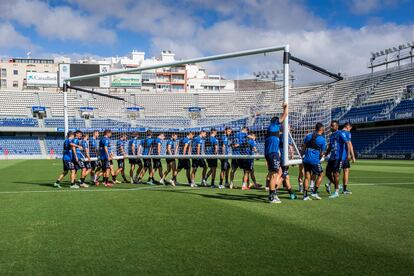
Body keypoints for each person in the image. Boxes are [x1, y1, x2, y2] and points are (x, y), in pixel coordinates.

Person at [264, 103, 288, 203]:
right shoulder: (274, 125)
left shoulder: (271, 130)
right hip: (273, 153)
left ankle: (273, 193)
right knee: (274, 174)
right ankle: (271, 196)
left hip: (270, 153)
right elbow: (285, 114)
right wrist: (285, 107)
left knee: (275, 173)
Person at [325, 120, 351, 199]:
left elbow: (347, 143)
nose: (331, 127)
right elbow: (330, 146)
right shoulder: (331, 135)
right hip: (332, 157)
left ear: (337, 126)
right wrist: (325, 154)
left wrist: (348, 154)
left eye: (332, 126)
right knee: (327, 173)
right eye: (331, 125)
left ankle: (336, 192)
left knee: (336, 174)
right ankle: (337, 185)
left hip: (339, 158)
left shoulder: (340, 133)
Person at [302, 123, 326, 200]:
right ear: (321, 129)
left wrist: (302, 156)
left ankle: (305, 196)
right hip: (314, 160)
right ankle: (314, 192)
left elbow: (303, 148)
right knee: (321, 174)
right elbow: (322, 153)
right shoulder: (322, 139)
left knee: (306, 176)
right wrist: (319, 158)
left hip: (306, 159)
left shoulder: (308, 136)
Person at [278, 129, 297, 199]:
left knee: (286, 177)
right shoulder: (285, 135)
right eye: (289, 127)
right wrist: (292, 155)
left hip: (280, 159)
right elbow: (290, 146)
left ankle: (291, 193)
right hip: (284, 160)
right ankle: (273, 192)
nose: (290, 128)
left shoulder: (279, 136)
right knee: (283, 175)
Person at [341, 122, 355, 194]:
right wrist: (352, 156)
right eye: (350, 128)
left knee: (336, 172)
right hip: (345, 156)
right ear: (347, 127)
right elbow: (350, 144)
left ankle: (329, 184)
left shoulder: (338, 132)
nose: (350, 130)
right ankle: (344, 190)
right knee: (346, 171)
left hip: (338, 156)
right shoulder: (348, 133)